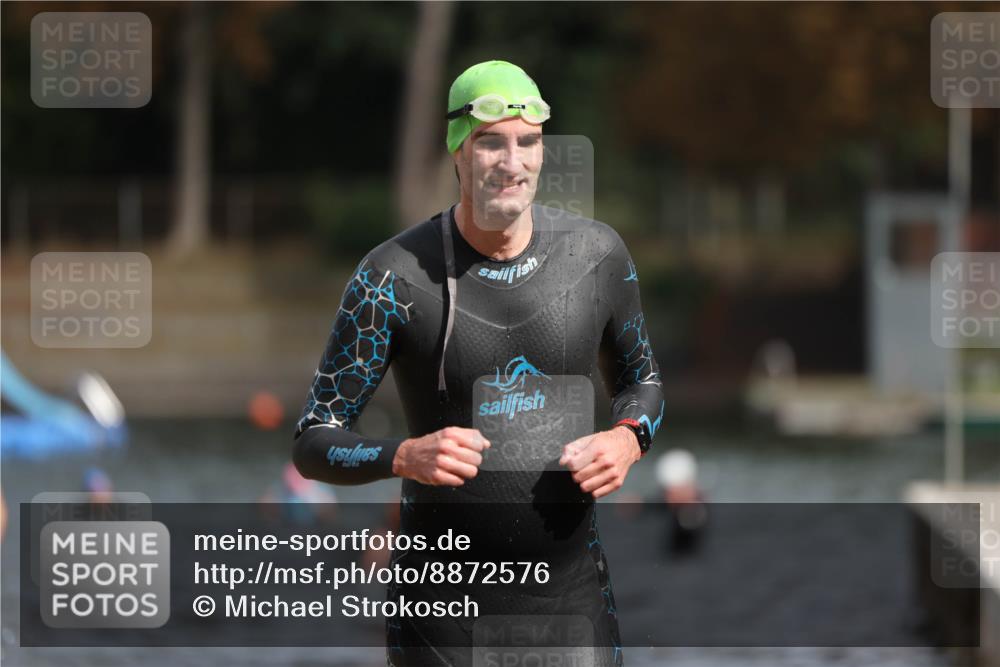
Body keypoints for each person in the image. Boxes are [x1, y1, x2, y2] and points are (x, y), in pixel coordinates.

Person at [293, 60, 664, 666]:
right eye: (491, 142)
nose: (512, 163)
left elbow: (641, 381)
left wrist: (627, 438)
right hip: (443, 617)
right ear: (458, 152)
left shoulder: (596, 256)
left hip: (572, 605)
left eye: (528, 143)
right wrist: (403, 456)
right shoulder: (391, 277)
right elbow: (313, 441)